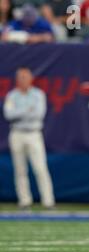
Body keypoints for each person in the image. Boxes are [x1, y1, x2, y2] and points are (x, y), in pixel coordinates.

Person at [3, 67, 55, 210]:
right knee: (20, 170)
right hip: (17, 133)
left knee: (40, 168)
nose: (23, 80)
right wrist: (27, 111)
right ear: (17, 80)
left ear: (31, 79)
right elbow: (8, 114)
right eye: (20, 78)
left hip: (33, 133)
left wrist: (19, 113)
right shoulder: (12, 96)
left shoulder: (38, 95)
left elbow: (38, 114)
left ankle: (48, 202)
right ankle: (24, 201)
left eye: (25, 77)